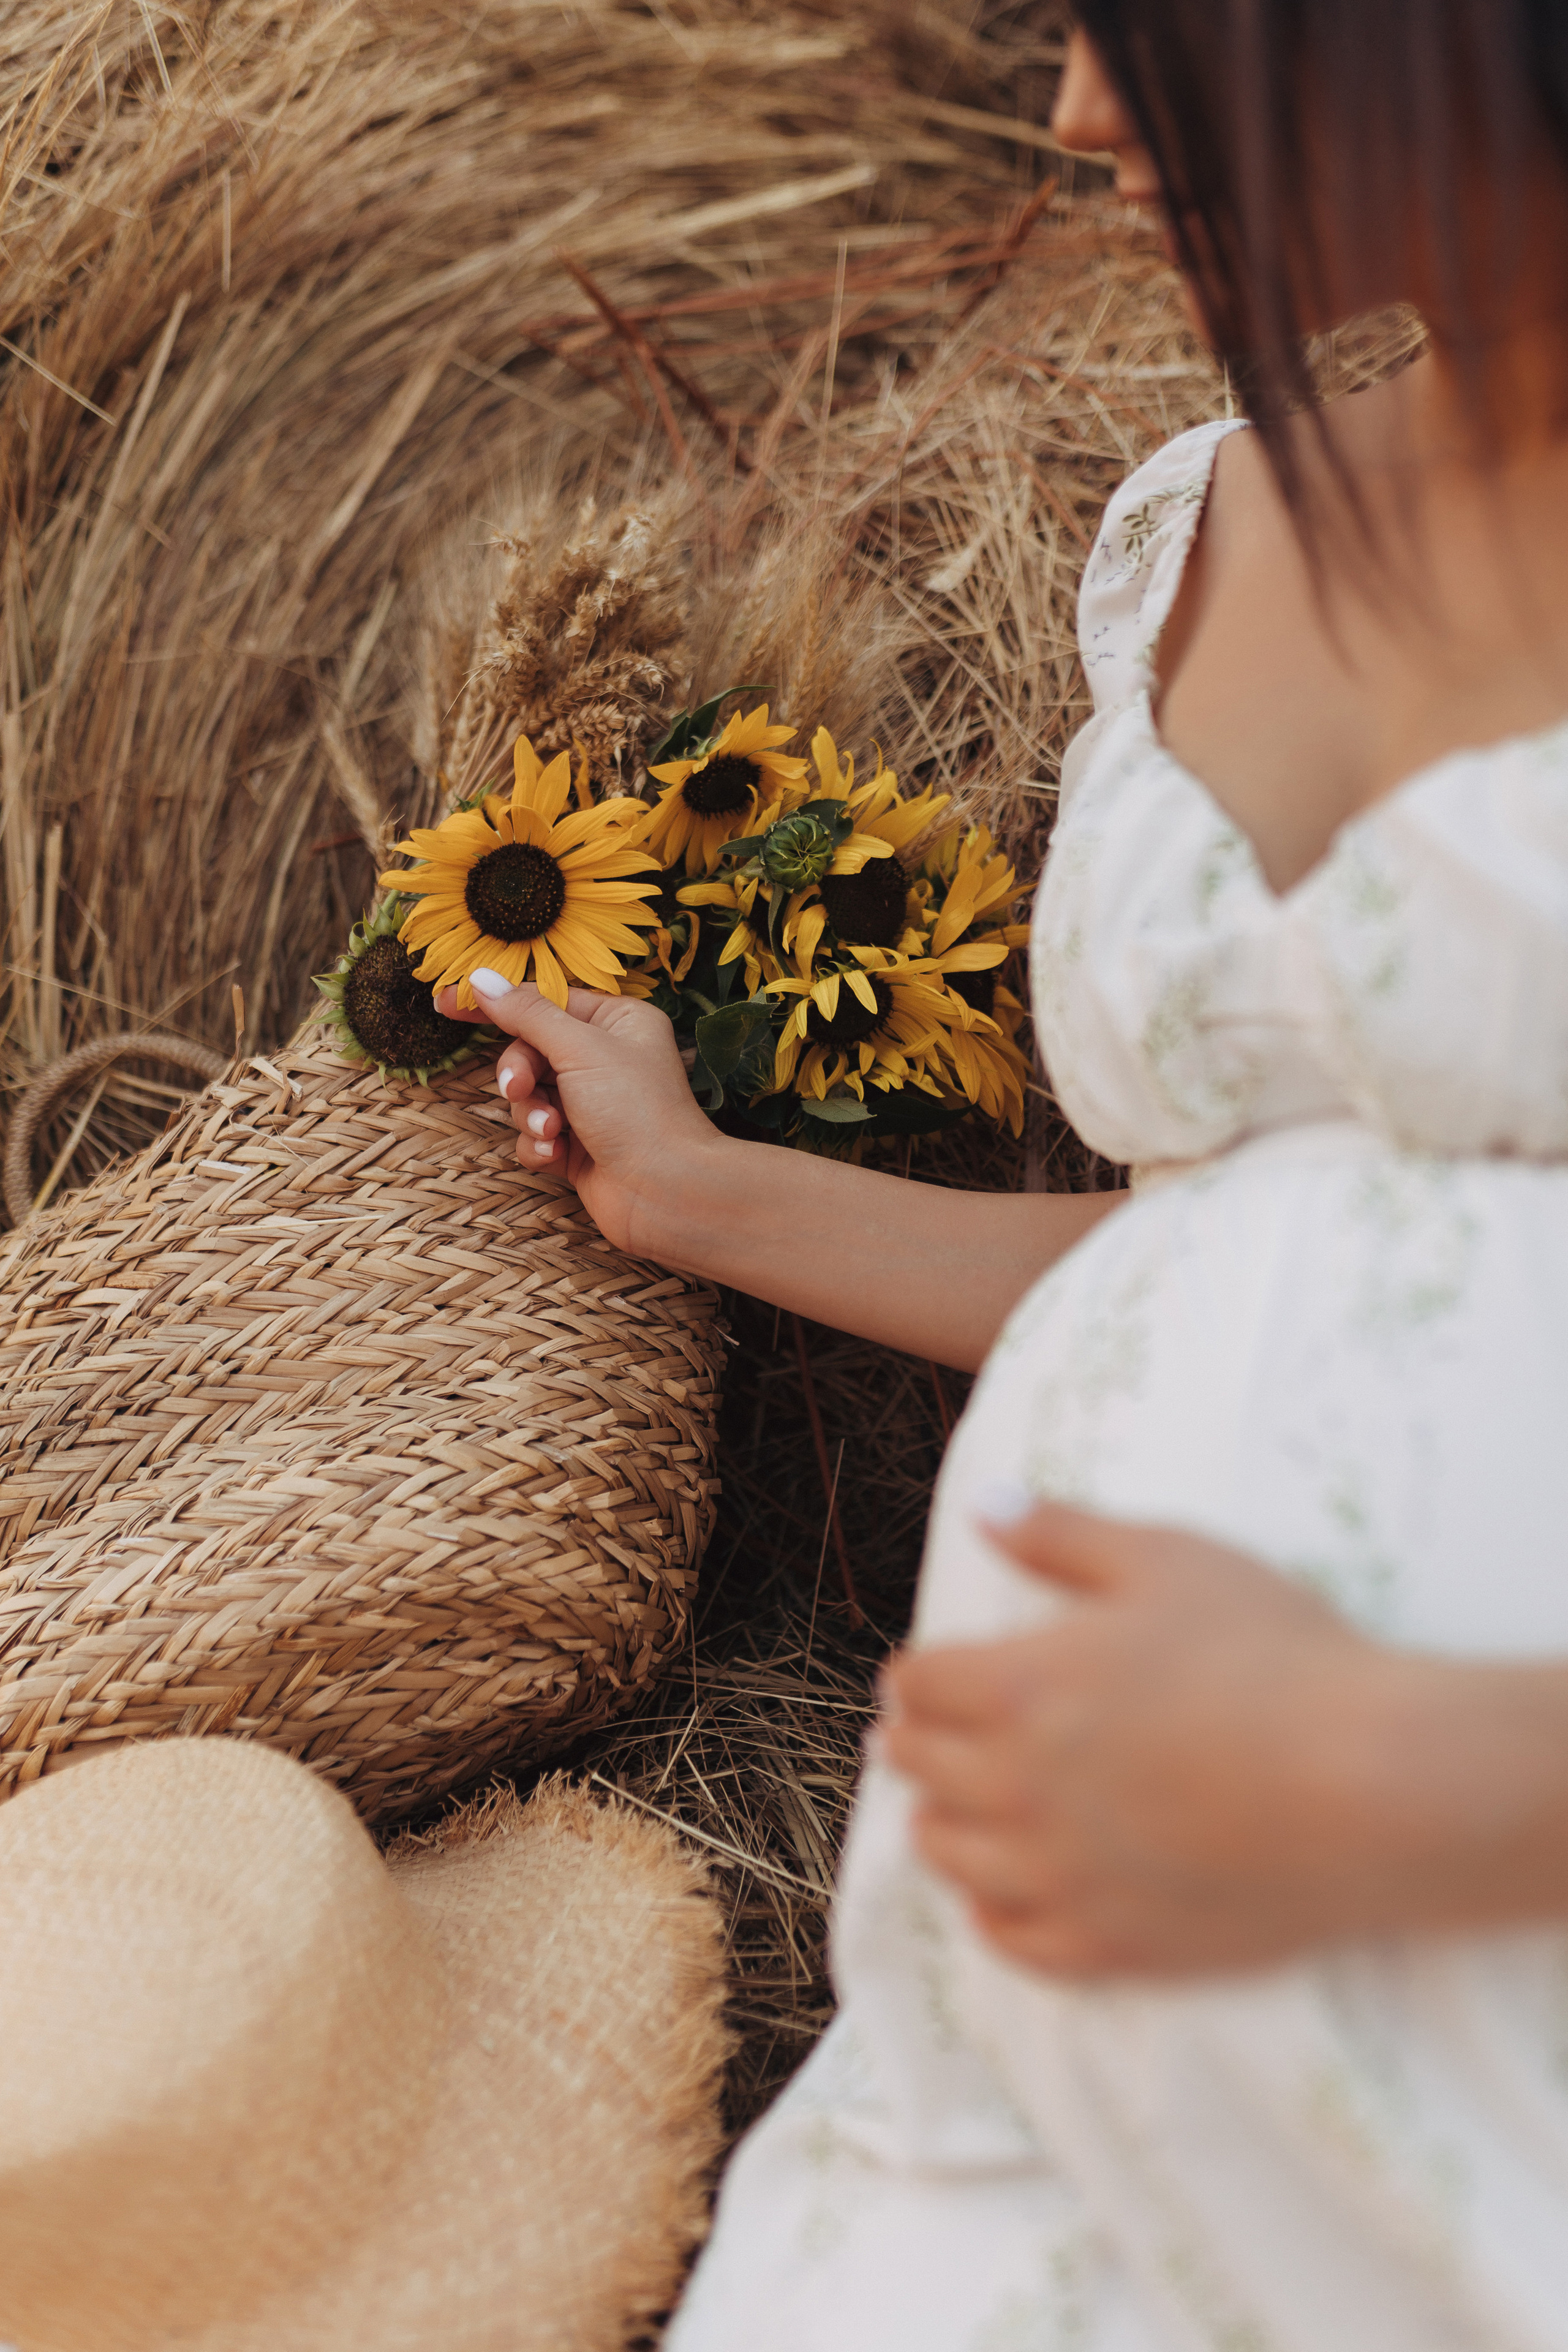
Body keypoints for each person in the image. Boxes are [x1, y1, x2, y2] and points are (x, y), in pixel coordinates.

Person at [442, 6, 1568, 2342]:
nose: (1070, 112)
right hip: (1010, 2055)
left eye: (1151, 29)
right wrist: (694, 1192)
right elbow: (1233, 1271)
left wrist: (1413, 1767)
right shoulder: (1220, 516)